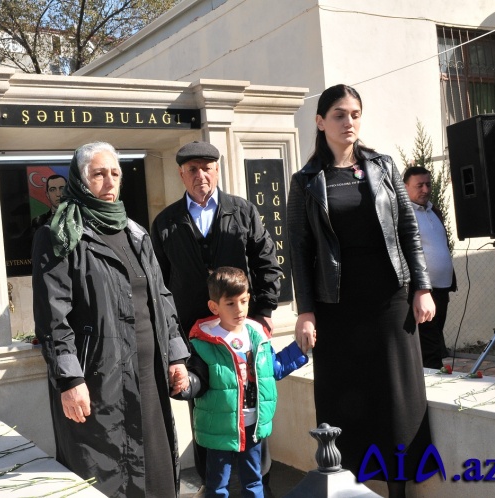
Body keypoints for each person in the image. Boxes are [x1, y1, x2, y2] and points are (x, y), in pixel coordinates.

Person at [287, 84, 436, 498]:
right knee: (343, 394)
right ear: (320, 122)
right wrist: (306, 311)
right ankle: (346, 484)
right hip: (336, 303)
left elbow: (408, 230)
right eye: (338, 114)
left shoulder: (383, 166)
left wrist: (421, 286)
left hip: (390, 297)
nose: (348, 121)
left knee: (395, 392)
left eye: (354, 113)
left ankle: (399, 488)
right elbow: (299, 248)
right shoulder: (306, 181)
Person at [32, 141, 190, 498]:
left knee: (158, 474)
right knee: (107, 476)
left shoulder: (135, 233)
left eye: (114, 173)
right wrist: (70, 378)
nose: (109, 182)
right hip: (100, 381)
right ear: (79, 179)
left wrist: (177, 356)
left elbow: (162, 297)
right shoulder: (59, 235)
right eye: (98, 174)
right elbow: (53, 317)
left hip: (149, 377)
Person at [151, 140, 283, 489]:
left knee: (251, 404)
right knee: (207, 411)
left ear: (217, 170)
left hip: (242, 335)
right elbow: (158, 286)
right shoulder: (165, 223)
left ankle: (260, 485)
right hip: (197, 341)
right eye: (192, 169)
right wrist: (171, 337)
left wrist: (265, 313)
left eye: (206, 168)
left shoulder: (242, 211)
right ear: (181, 174)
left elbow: (267, 262)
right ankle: (216, 486)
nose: (200, 175)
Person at [177, 267, 307, 498]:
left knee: (253, 481)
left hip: (253, 425)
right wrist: (185, 384)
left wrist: (299, 350)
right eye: (230, 304)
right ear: (214, 307)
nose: (239, 309)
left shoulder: (257, 335)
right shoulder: (203, 342)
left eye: (244, 301)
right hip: (220, 428)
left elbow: (272, 369)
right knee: (217, 485)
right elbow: (198, 381)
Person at [404, 166, 457, 370]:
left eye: (428, 184)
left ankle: (431, 374)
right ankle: (431, 382)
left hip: (442, 288)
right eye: (419, 185)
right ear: (405, 187)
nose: (425, 189)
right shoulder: (402, 214)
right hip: (419, 290)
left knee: (435, 338)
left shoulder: (434, 210)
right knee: (429, 344)